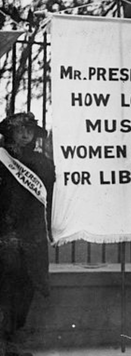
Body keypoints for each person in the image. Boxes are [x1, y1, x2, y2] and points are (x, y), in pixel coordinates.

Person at [0, 112, 55, 356]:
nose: (25, 134)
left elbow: (52, 196)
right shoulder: (1, 160)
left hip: (32, 237)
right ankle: (3, 339)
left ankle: (13, 338)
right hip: (5, 235)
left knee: (27, 287)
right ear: (10, 132)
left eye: (29, 130)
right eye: (20, 129)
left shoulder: (43, 163)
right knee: (5, 287)